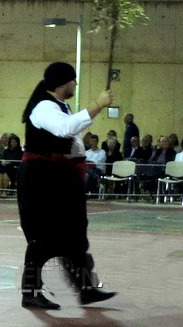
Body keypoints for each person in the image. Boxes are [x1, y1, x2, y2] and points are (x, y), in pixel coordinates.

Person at [17, 62, 116, 310]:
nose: (76, 83)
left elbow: (71, 131)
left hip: (61, 177)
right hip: (42, 178)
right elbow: (65, 128)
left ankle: (86, 288)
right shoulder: (43, 106)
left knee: (75, 236)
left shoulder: (60, 105)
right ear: (63, 83)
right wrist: (97, 105)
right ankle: (30, 291)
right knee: (43, 237)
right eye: (73, 80)